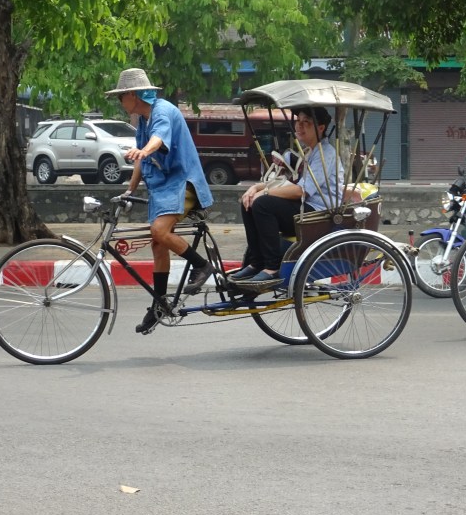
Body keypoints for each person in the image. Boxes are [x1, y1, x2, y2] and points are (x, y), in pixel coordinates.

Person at [106, 68, 215, 334]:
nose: (120, 102)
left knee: (159, 231)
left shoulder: (162, 112)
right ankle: (159, 304)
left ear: (132, 95)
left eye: (121, 97)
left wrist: (144, 150)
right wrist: (129, 190)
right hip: (164, 187)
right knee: (158, 243)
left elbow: (157, 140)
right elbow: (141, 160)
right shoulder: (143, 122)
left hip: (184, 182)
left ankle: (202, 265)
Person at [231, 106, 344, 284]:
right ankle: (256, 262)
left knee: (262, 205)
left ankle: (272, 266)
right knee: (249, 203)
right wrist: (256, 188)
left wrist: (265, 193)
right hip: (305, 207)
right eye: (298, 121)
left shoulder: (325, 154)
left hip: (319, 214)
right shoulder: (309, 152)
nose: (299, 126)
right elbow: (289, 182)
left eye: (306, 122)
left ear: (321, 128)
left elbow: (301, 190)